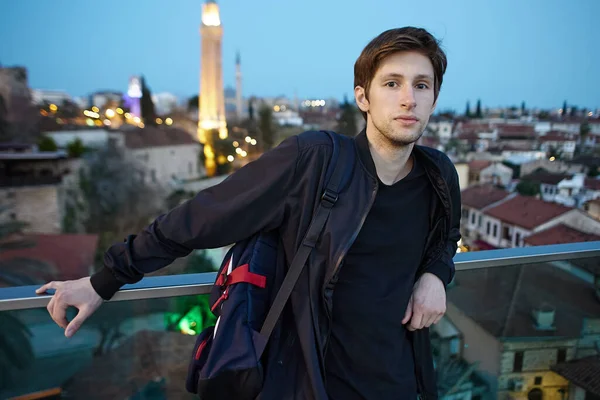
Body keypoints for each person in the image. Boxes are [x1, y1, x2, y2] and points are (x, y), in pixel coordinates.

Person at [38, 26, 461, 400]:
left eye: (421, 85)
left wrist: (436, 275)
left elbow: (446, 237)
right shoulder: (315, 161)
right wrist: (105, 280)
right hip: (312, 383)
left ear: (434, 98)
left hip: (402, 382)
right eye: (392, 83)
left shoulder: (438, 175)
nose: (408, 98)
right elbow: (201, 218)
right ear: (363, 97)